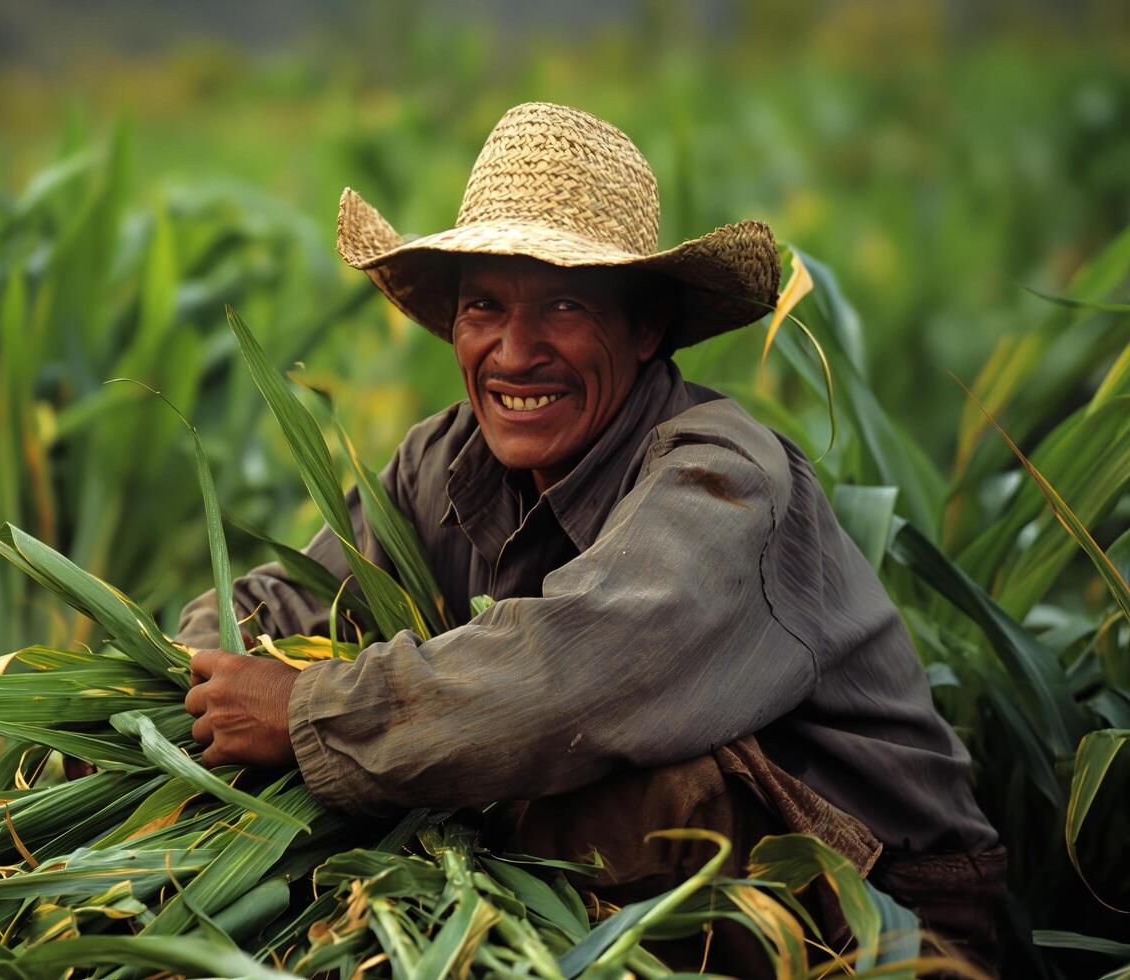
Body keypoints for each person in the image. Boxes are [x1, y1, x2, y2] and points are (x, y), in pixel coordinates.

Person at [175, 102, 1004, 968]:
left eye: (563, 305)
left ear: (644, 328)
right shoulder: (444, 460)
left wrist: (308, 711)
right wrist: (193, 677)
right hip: (659, 871)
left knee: (630, 788)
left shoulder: (721, 477)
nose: (514, 351)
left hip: (887, 902)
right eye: (484, 306)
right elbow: (283, 599)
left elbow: (577, 676)